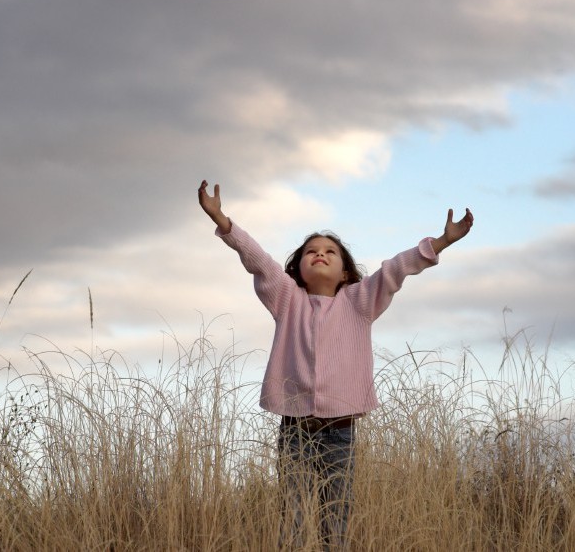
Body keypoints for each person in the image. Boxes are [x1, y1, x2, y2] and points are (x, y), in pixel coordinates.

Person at [197, 180, 473, 550]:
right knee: (292, 522)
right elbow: (259, 260)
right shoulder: (286, 299)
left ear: (345, 272)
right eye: (311, 252)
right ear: (297, 270)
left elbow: (396, 269)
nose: (320, 254)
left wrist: (440, 242)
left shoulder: (360, 301)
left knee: (335, 524)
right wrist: (222, 220)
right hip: (295, 431)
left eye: (330, 251)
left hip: (341, 433)